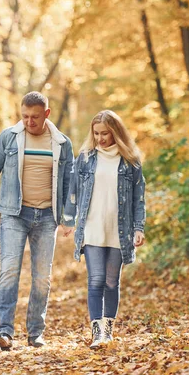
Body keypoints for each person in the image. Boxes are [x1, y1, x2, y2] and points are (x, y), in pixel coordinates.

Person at [0, 91, 74, 349]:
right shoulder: (10, 137)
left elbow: (68, 183)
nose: (29, 122)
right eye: (25, 116)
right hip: (14, 214)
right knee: (9, 272)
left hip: (47, 217)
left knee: (42, 277)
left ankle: (35, 333)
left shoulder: (62, 143)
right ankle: (5, 332)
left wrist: (68, 217)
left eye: (35, 117)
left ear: (47, 114)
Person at [62, 110, 146, 348]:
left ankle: (108, 328)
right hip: (92, 227)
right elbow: (74, 191)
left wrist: (138, 228)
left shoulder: (130, 162)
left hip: (119, 230)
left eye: (105, 134)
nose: (100, 138)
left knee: (111, 282)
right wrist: (69, 220)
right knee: (96, 280)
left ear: (116, 133)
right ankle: (97, 332)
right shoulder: (86, 158)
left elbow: (138, 199)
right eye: (96, 133)